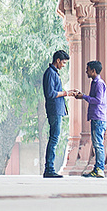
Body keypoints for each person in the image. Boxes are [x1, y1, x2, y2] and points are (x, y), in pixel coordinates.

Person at [65, 59, 107, 178]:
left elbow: (98, 100)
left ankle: (100, 169)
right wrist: (83, 96)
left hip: (99, 117)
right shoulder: (94, 82)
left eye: (88, 69)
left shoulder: (99, 83)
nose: (86, 71)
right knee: (96, 143)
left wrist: (83, 96)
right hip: (96, 117)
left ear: (93, 71)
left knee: (98, 144)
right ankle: (97, 169)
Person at [42, 50, 69, 178]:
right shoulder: (50, 73)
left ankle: (50, 168)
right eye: (63, 62)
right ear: (57, 60)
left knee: (54, 138)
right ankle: (49, 168)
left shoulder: (54, 73)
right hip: (54, 110)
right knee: (53, 139)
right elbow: (51, 93)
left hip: (57, 110)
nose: (63, 65)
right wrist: (65, 93)